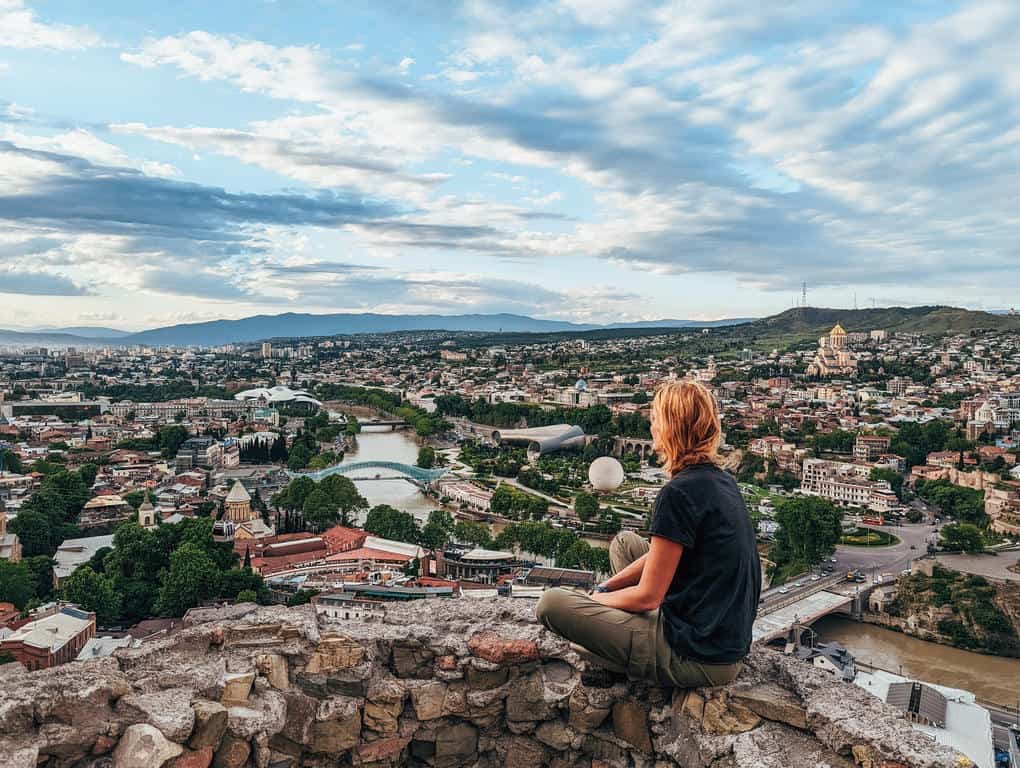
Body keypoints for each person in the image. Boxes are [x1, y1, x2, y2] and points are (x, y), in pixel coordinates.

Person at [536, 380, 761, 687]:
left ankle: (625, 651)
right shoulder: (721, 481)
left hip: (697, 658)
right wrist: (608, 587)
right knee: (625, 544)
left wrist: (592, 601)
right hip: (719, 640)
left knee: (551, 604)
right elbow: (662, 556)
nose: (651, 425)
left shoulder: (678, 493)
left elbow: (648, 596)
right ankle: (629, 631)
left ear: (671, 427)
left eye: (656, 419)